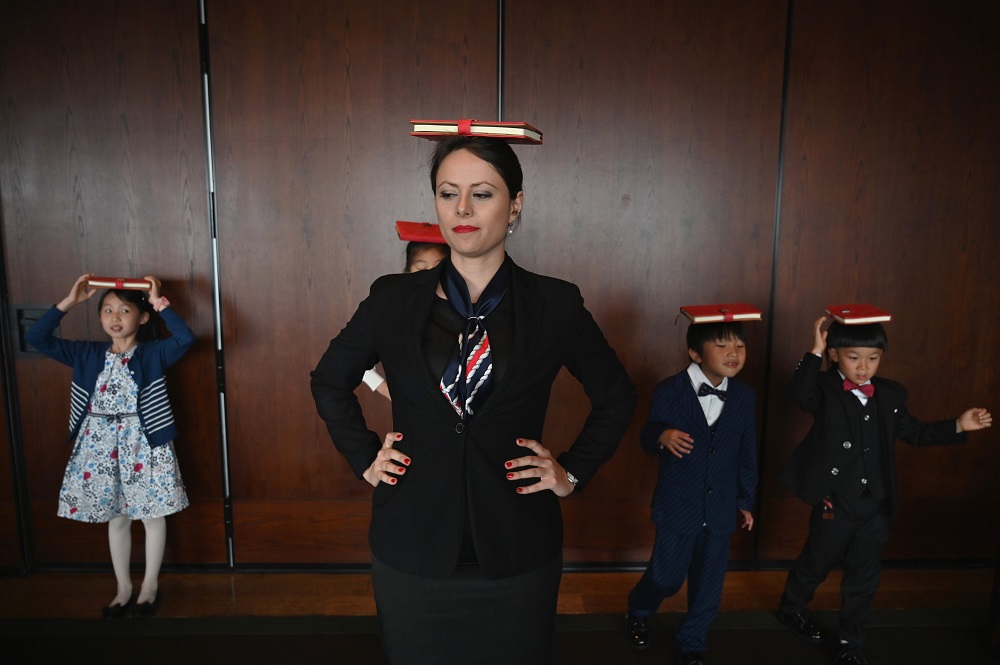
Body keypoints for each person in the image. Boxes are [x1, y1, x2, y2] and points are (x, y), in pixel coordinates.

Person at [311, 135, 636, 664]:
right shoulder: (392, 298)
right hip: (412, 542)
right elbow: (329, 380)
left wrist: (572, 472)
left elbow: (617, 395)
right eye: (447, 193)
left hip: (517, 545)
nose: (462, 208)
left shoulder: (554, 303)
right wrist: (364, 456)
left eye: (481, 193)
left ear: (516, 204)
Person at [776, 315, 992, 665]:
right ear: (834, 355)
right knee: (816, 562)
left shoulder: (891, 393)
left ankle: (851, 644)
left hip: (875, 504)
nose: (864, 367)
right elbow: (799, 394)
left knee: (863, 578)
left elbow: (915, 433)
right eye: (853, 357)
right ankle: (791, 607)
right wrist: (814, 350)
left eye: (873, 358)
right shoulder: (825, 389)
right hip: (836, 500)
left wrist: (957, 425)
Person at [26, 273, 193, 618]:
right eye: (107, 311)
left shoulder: (153, 354)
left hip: (144, 443)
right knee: (116, 517)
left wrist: (159, 300)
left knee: (151, 514)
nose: (115, 318)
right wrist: (70, 302)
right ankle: (123, 587)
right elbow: (35, 336)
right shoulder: (86, 353)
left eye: (125, 311)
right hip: (99, 445)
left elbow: (185, 339)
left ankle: (149, 586)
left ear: (142, 317)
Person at [625, 318, 758, 665]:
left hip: (721, 507)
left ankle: (693, 642)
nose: (734, 353)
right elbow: (647, 433)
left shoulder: (744, 396)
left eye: (740, 346)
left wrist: (745, 500)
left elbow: (747, 453)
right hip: (678, 504)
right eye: (722, 345)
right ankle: (639, 608)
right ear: (695, 353)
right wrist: (661, 436)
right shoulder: (670, 390)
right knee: (666, 577)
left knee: (709, 584)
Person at [360, 240, 449, 401]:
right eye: (421, 269)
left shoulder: (466, 306)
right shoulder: (394, 309)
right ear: (407, 272)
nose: (430, 274)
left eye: (438, 267)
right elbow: (353, 359)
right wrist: (382, 387)